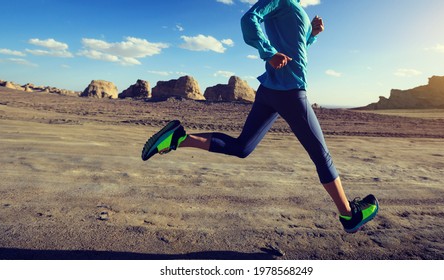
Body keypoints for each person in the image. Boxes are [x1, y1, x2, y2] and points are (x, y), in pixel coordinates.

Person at [142, 0, 378, 233]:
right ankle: (349, 215)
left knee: (243, 147)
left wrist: (312, 34)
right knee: (321, 155)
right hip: (290, 91)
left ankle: (178, 138)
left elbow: (296, 47)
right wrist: (269, 52)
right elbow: (249, 19)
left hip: (271, 91)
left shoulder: (295, 6)